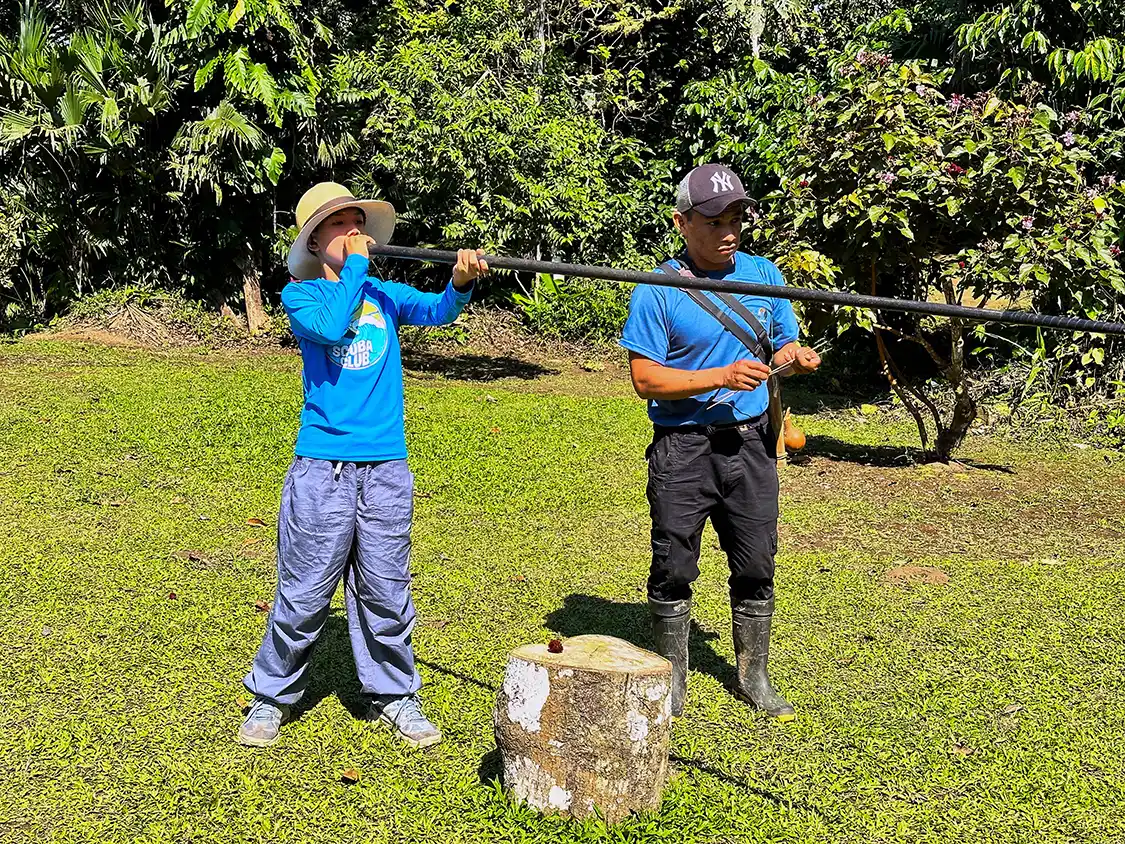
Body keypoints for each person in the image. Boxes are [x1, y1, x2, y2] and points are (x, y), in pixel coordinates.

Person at [238, 182, 488, 748]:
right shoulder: (299, 297)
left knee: (385, 589)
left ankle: (395, 695)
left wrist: (460, 282)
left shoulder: (383, 293)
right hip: (322, 467)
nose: (353, 233)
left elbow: (439, 311)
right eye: (338, 225)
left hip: (386, 469)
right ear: (314, 240)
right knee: (303, 592)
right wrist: (353, 272)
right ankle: (272, 695)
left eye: (358, 223)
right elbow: (329, 329)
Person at [620, 164, 821, 720]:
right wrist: (719, 376)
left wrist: (792, 358)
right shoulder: (658, 290)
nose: (728, 229)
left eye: (735, 216)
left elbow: (781, 341)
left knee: (757, 561)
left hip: (751, 445)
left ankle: (753, 674)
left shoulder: (762, 274)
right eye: (713, 220)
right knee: (674, 563)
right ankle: (673, 676)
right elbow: (645, 381)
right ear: (682, 223)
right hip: (683, 446)